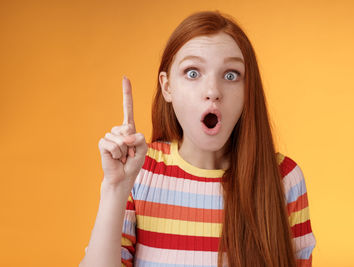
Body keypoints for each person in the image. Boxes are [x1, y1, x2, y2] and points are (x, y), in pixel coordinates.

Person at [80, 10, 316, 267]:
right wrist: (116, 187)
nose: (213, 91)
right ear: (167, 87)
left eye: (231, 75)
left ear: (248, 90)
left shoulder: (284, 179)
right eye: (193, 73)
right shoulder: (139, 170)